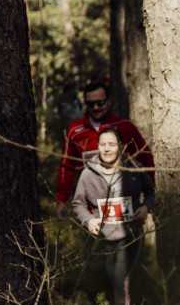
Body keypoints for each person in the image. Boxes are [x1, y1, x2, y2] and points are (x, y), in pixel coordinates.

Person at [71, 126, 155, 305]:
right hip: (100, 240)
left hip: (130, 236)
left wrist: (145, 208)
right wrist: (89, 220)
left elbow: (151, 193)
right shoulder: (88, 173)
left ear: (122, 146)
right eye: (102, 145)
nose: (107, 149)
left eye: (112, 144)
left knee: (120, 280)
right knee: (100, 282)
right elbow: (78, 203)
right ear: (97, 147)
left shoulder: (134, 168)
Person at [55, 78, 154, 219]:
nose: (95, 107)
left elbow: (146, 160)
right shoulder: (75, 130)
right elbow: (66, 166)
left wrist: (151, 199)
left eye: (100, 102)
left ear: (109, 101)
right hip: (91, 209)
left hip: (126, 209)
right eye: (90, 104)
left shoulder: (125, 126)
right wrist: (61, 199)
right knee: (95, 240)